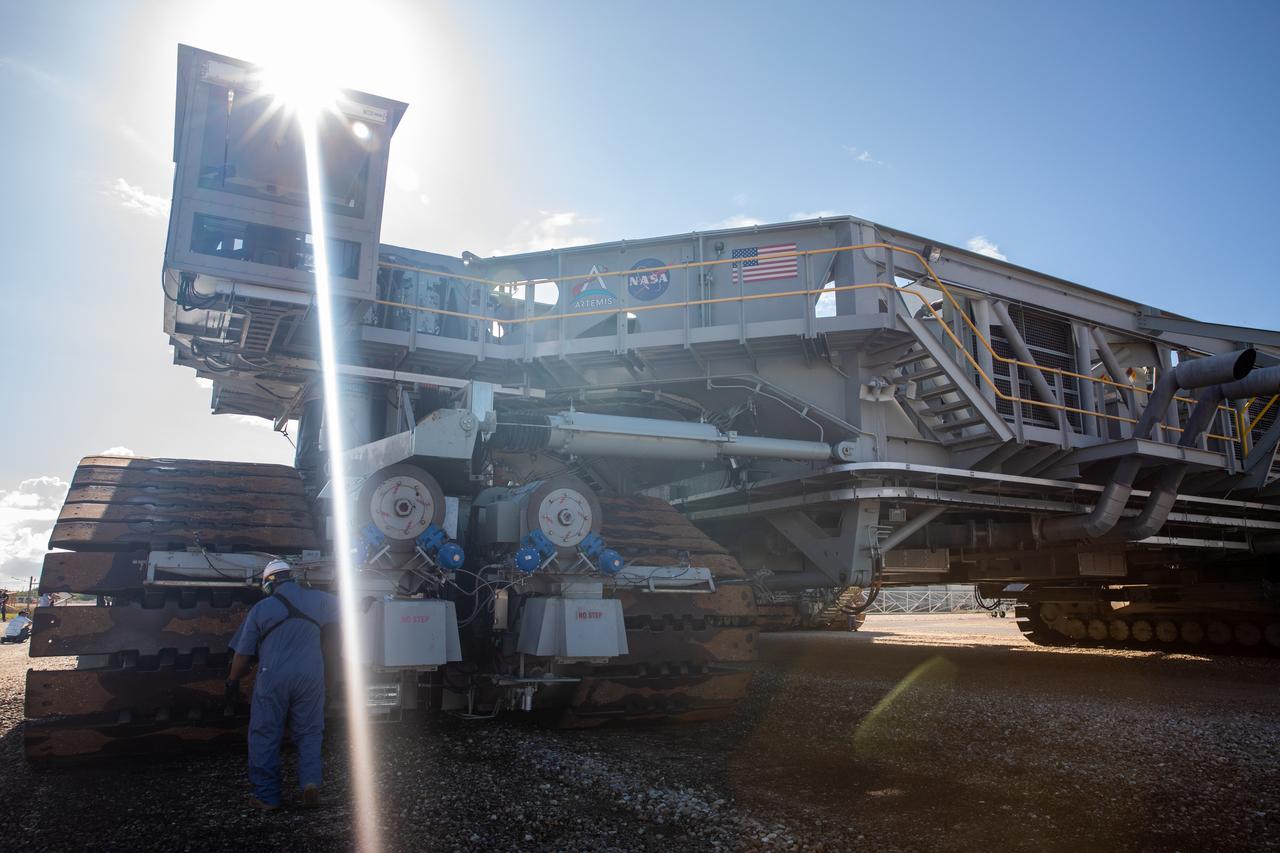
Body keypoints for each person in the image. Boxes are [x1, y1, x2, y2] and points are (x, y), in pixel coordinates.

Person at [227, 559, 340, 811]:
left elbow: (242, 654)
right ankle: (310, 783)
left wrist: (232, 681)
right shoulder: (319, 599)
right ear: (292, 578)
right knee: (310, 732)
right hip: (311, 675)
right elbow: (352, 607)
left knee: (265, 733)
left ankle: (267, 797)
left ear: (269, 583)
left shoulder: (261, 608)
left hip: (274, 675)